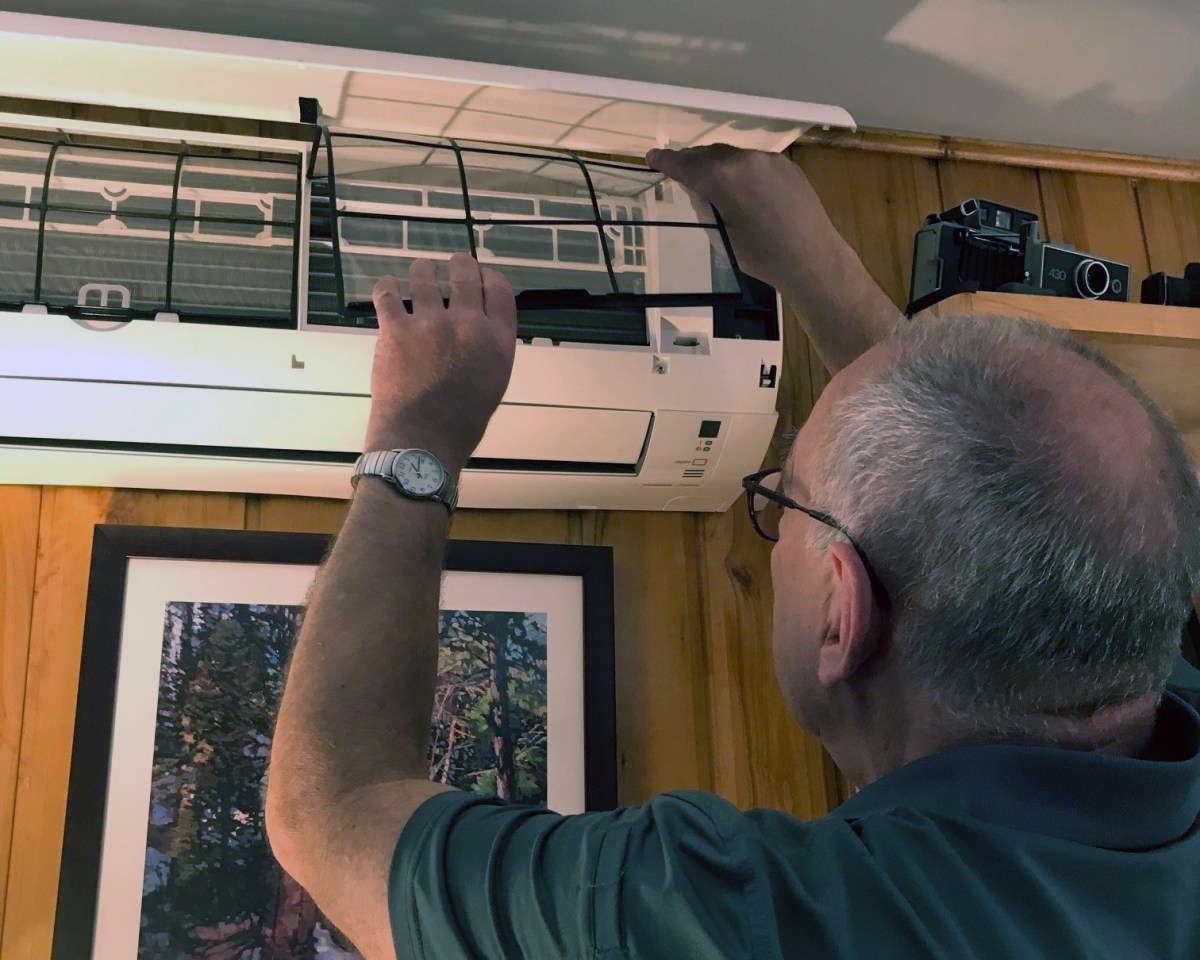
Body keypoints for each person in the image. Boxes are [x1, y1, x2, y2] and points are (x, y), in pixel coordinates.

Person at [265, 146, 1200, 960]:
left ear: (844, 610)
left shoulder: (769, 928)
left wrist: (416, 435)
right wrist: (815, 265)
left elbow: (329, 816)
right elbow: (997, 474)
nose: (776, 515)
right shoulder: (1141, 665)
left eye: (781, 500)